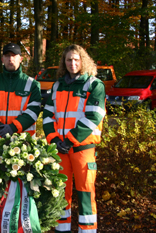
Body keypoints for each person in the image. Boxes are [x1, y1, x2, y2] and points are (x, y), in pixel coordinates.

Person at [42, 44, 105, 233]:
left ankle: (87, 230)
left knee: (86, 192)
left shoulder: (94, 85)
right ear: (64, 62)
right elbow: (47, 115)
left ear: (83, 61)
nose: (72, 63)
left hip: (82, 149)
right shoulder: (57, 85)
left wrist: (69, 140)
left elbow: (93, 117)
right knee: (60, 193)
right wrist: (53, 140)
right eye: (69, 59)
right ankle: (62, 229)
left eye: (76, 59)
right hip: (60, 149)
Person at [0, 42, 41, 143]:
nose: (10, 59)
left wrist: (13, 127)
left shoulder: (32, 84)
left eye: (14, 55)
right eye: (7, 56)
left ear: (20, 59)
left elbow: (33, 110)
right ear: (2, 59)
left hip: (23, 141)